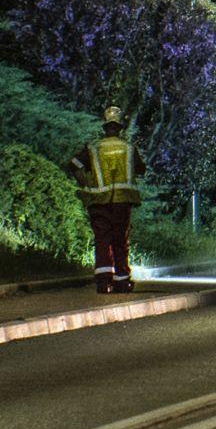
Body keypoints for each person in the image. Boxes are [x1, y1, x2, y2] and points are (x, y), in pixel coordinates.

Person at [71, 106, 144, 293]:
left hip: (98, 201)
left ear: (105, 128)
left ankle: (104, 283)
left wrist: (86, 183)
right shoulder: (128, 149)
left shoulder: (93, 148)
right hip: (122, 201)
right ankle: (122, 280)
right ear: (120, 128)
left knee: (102, 240)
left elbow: (73, 165)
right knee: (120, 239)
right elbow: (141, 169)